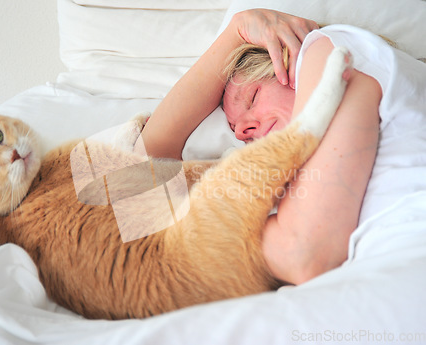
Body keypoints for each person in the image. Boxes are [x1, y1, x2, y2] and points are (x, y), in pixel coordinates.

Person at [134, 9, 421, 286]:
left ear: (288, 59)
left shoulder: (331, 50)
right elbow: (141, 180)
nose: (243, 130)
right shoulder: (285, 187)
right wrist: (232, 32)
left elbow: (303, 254)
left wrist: (170, 232)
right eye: (237, 132)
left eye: (253, 98)